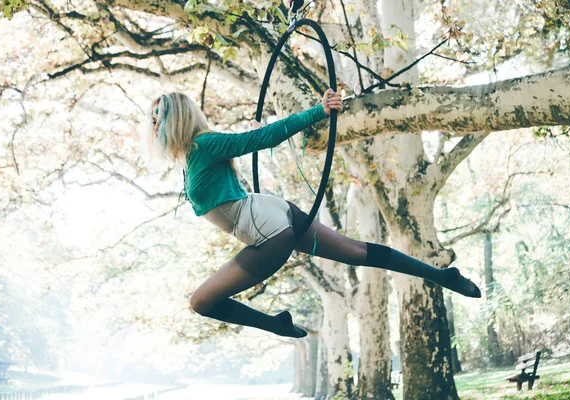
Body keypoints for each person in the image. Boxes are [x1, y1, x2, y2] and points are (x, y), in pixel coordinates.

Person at [144, 89, 481, 338]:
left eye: (160, 113)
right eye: (152, 116)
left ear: (178, 117)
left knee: (202, 301)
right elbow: (244, 155)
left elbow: (264, 138)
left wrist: (317, 112)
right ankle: (442, 276)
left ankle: (276, 325)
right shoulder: (194, 154)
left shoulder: (205, 144)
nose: (154, 121)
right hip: (271, 213)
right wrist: (255, 131)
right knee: (355, 252)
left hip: (267, 229)